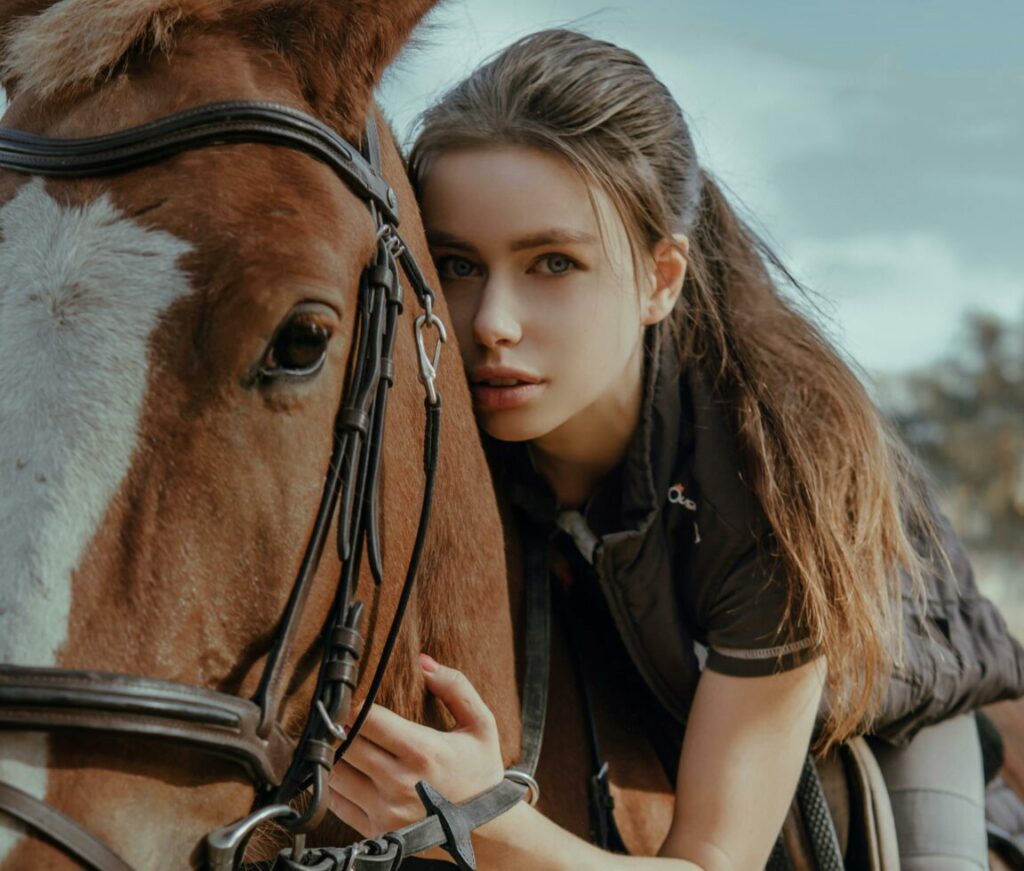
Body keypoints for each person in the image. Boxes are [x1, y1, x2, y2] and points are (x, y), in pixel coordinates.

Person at [327, 29, 1024, 870]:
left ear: (661, 279)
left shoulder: (774, 474)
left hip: (889, 690)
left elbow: (711, 862)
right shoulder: (443, 381)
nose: (492, 323)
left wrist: (480, 821)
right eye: (457, 263)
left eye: (553, 262)